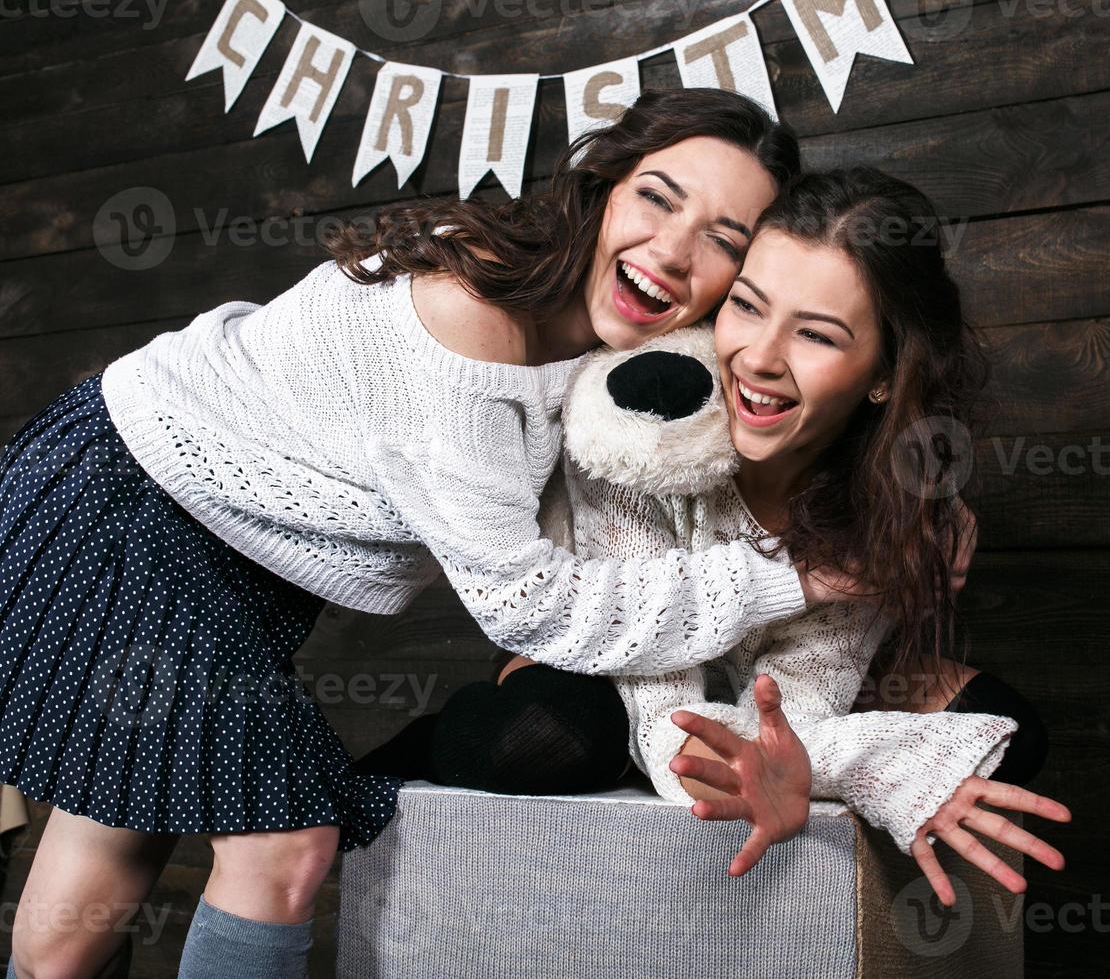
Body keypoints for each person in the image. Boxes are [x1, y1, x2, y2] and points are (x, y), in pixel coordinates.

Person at [0, 90, 907, 979]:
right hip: (130, 507)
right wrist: (793, 576)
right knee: (283, 850)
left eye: (723, 240)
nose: (671, 252)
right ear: (603, 188)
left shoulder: (609, 359)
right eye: (657, 198)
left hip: (217, 561)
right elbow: (529, 604)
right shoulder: (468, 314)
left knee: (61, 946)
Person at [362, 169, 1068, 904]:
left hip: (761, 673)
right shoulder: (644, 420)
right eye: (747, 307)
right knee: (555, 737)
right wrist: (891, 772)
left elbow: (805, 692)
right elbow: (673, 726)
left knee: (1005, 730)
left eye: (819, 335)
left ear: (884, 375)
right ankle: (379, 773)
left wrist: (800, 759)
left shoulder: (884, 496)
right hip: (618, 647)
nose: (759, 359)